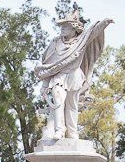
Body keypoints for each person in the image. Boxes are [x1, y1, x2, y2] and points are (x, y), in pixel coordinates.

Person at [34, 8, 112, 140]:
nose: (62, 28)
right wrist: (45, 84)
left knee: (72, 105)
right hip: (59, 76)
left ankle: (72, 132)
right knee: (58, 97)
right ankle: (59, 129)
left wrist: (104, 23)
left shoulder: (80, 41)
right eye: (62, 26)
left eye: (66, 26)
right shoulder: (55, 42)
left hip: (74, 76)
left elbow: (93, 32)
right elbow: (49, 65)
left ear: (74, 28)